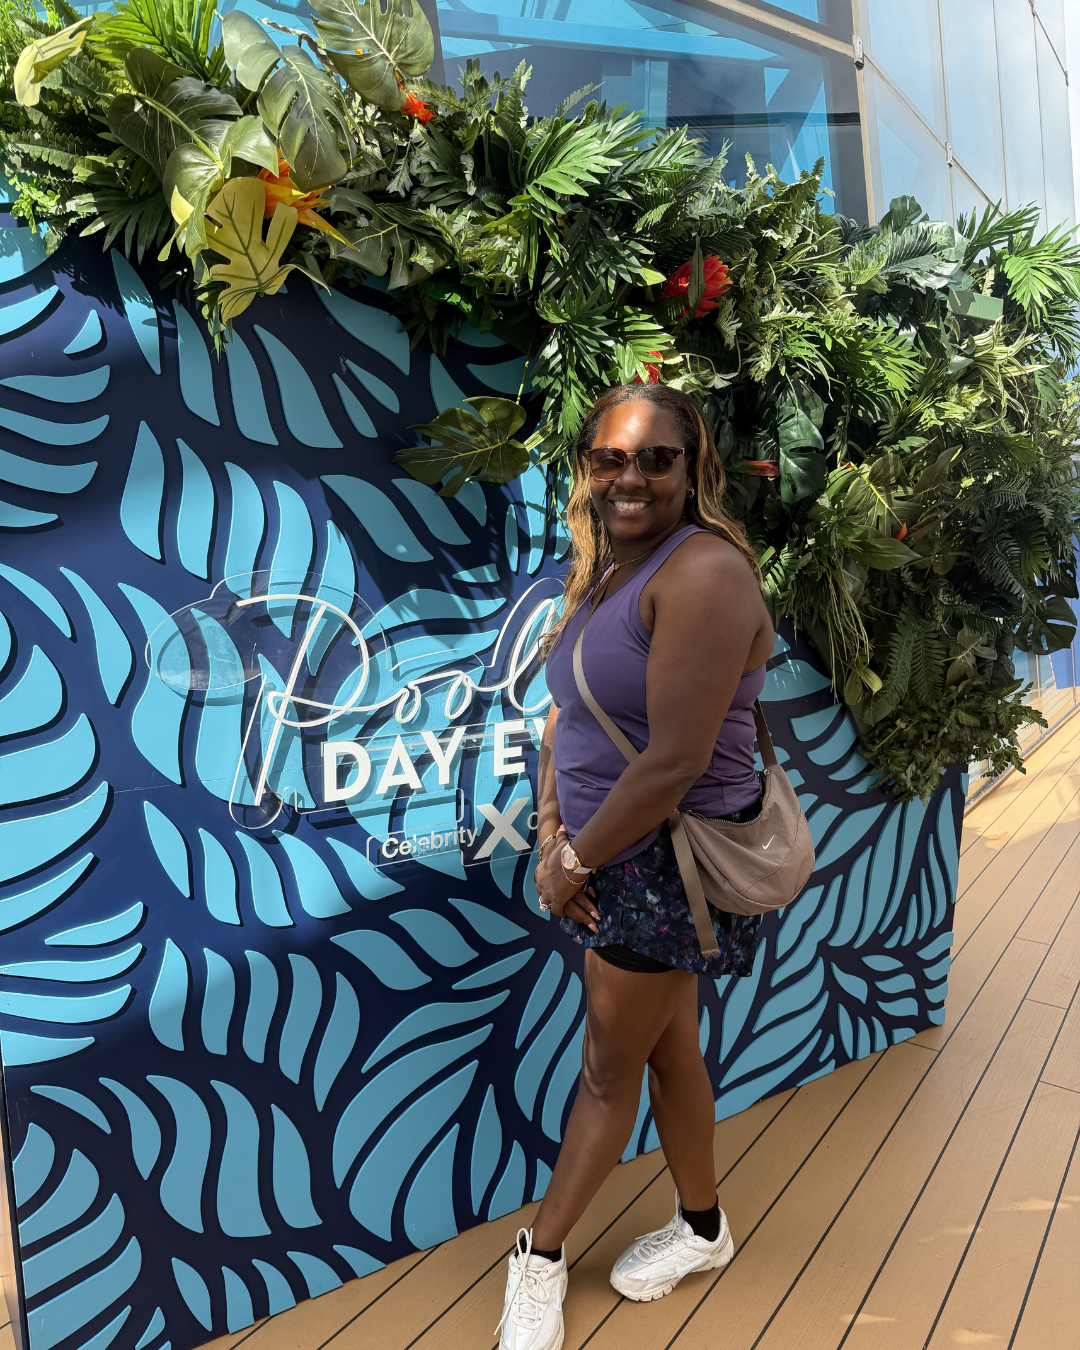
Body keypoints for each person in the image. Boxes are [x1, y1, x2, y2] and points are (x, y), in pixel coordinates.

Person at [496, 384, 774, 1350]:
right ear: (586, 466)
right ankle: (703, 1229)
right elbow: (569, 712)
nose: (631, 475)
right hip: (610, 850)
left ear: (691, 469)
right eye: (611, 456)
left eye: (656, 458)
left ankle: (538, 1256)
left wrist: (570, 862)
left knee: (609, 1073)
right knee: (667, 1049)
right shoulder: (612, 571)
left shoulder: (700, 575)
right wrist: (550, 823)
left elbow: (674, 763)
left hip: (662, 865)